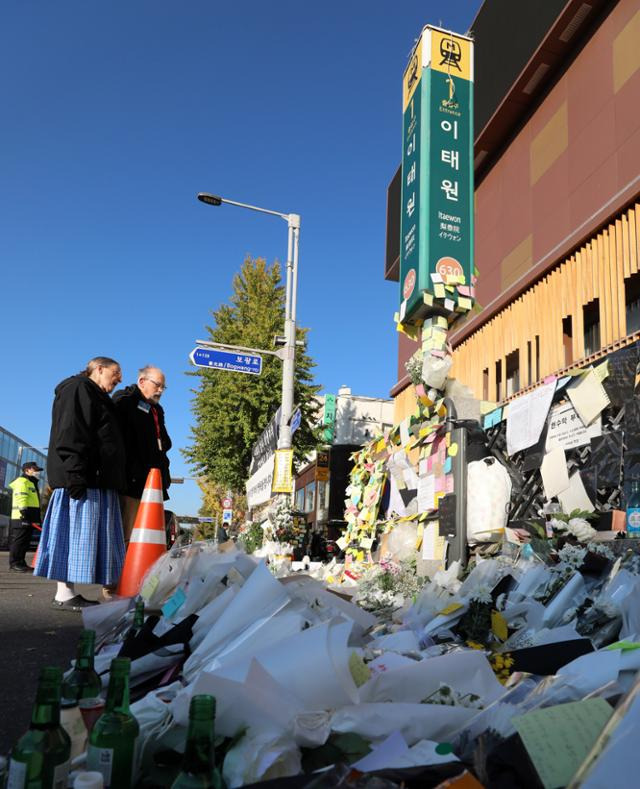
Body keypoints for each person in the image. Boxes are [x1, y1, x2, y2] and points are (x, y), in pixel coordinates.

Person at [34, 357, 126, 611]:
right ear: (98, 368)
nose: (119, 378)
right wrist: (75, 474)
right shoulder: (78, 388)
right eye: (116, 373)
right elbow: (71, 431)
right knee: (72, 537)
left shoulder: (93, 393)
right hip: (83, 479)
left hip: (92, 478)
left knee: (77, 539)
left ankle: (68, 593)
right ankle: (64, 594)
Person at [113, 365, 172, 542]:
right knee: (127, 533)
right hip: (132, 482)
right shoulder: (125, 400)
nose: (160, 390)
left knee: (145, 536)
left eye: (163, 387)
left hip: (153, 480)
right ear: (142, 381)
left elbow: (164, 441)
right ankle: (121, 569)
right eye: (157, 385)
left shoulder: (157, 409)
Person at [8, 461, 43, 572]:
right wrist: (24, 513)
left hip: (29, 516)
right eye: (35, 470)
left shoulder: (31, 482)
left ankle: (21, 563)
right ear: (27, 470)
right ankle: (14, 564)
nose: (37, 472)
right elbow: (21, 497)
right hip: (21, 516)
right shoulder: (22, 482)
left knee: (25, 541)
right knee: (19, 541)